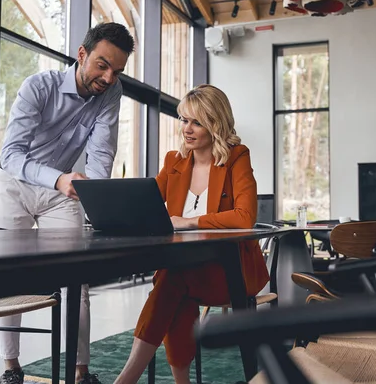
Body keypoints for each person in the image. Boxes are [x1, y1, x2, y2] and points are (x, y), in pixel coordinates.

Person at [0, 22, 134, 384]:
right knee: (10, 277)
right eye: (102, 65)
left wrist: (102, 207)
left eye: (116, 70)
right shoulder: (38, 87)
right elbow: (10, 155)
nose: (108, 76)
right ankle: (11, 369)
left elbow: (101, 156)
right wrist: (57, 178)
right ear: (82, 54)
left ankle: (80, 372)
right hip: (15, 187)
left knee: (76, 277)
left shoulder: (111, 92)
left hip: (62, 192)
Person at [114, 84, 270, 384]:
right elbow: (144, 202)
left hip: (230, 271)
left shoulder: (236, 157)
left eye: (196, 122)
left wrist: (190, 222)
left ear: (215, 123)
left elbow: (245, 216)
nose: (187, 128)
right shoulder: (174, 161)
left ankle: (126, 380)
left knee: (172, 280)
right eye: (184, 119)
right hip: (184, 268)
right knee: (175, 286)